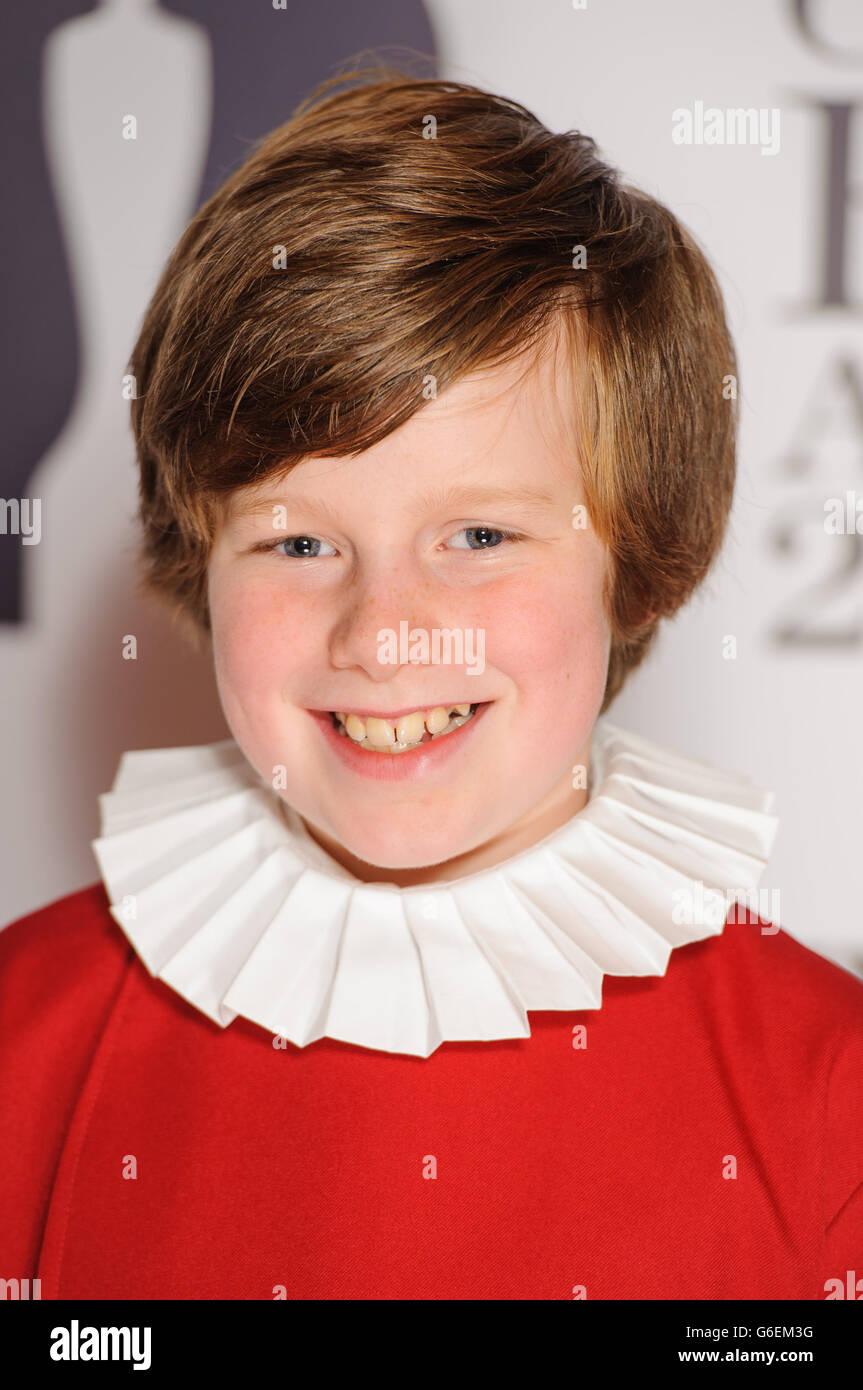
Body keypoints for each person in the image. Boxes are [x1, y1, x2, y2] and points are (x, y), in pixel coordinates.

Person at [1, 67, 860, 1301]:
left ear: (636, 568)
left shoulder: (825, 1097)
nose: (384, 634)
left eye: (479, 536)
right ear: (202, 564)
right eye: (299, 543)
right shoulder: (22, 1043)